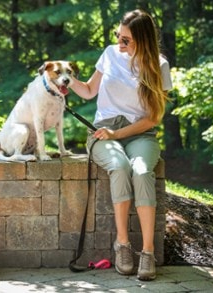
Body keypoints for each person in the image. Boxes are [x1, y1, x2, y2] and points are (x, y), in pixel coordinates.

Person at [70, 9, 173, 281]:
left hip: (140, 134)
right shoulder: (110, 54)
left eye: (126, 40)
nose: (120, 43)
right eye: (118, 36)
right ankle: (123, 246)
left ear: (142, 40)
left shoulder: (159, 66)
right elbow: (90, 90)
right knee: (119, 166)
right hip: (103, 132)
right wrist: (63, 79)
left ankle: (148, 252)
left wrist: (119, 135)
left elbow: (153, 119)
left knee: (141, 171)